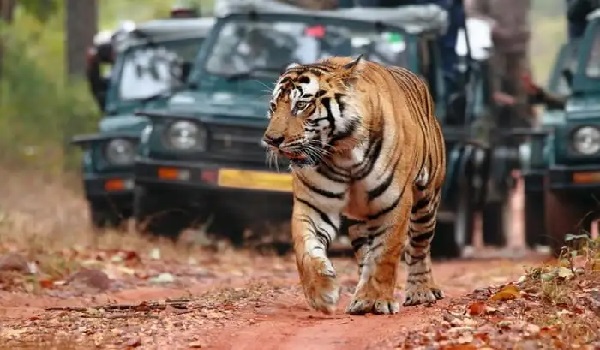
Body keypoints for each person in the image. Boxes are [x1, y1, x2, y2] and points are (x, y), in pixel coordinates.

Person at [465, 0, 532, 127]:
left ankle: (522, 132)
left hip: (519, 47)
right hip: (493, 49)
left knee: (522, 90)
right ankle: (493, 132)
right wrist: (490, 26)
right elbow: (471, 12)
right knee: (494, 94)